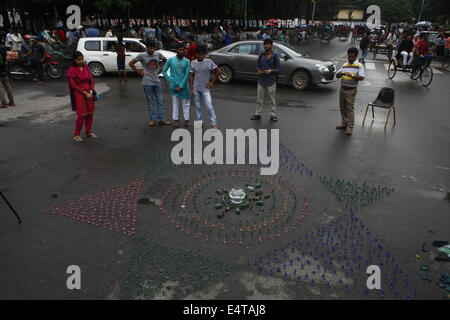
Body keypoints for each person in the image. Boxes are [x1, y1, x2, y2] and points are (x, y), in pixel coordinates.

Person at [129, 40, 170, 127]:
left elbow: (166, 61)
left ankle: (161, 119)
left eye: (153, 48)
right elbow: (131, 63)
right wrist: (139, 72)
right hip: (147, 82)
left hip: (157, 81)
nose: (152, 50)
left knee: (160, 101)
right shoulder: (142, 55)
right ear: (147, 47)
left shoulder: (158, 54)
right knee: (150, 102)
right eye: (150, 48)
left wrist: (161, 69)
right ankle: (152, 119)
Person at [66, 51, 97, 142]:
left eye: (82, 59)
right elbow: (73, 85)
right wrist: (85, 93)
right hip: (79, 94)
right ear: (74, 60)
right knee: (81, 115)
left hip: (89, 93)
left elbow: (91, 80)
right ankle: (76, 134)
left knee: (90, 113)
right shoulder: (72, 70)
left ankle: (88, 131)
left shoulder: (86, 68)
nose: (81, 61)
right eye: (78, 60)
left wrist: (90, 91)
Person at [189, 45, 221, 129]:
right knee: (198, 107)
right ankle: (200, 122)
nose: (200, 56)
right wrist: (191, 89)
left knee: (209, 106)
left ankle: (214, 124)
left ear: (205, 54)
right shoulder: (193, 62)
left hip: (205, 89)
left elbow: (218, 71)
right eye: (198, 54)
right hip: (196, 88)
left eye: (202, 54)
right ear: (196, 54)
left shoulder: (209, 62)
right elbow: (191, 76)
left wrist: (211, 82)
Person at [336, 47, 365, 136]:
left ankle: (350, 126)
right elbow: (337, 75)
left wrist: (352, 75)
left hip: (351, 90)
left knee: (350, 108)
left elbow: (361, 77)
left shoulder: (359, 65)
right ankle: (344, 123)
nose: (350, 58)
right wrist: (339, 74)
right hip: (342, 88)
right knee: (342, 107)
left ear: (356, 56)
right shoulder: (345, 65)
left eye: (352, 57)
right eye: (349, 56)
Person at [250, 38, 280, 122]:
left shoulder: (275, 57)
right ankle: (258, 114)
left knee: (272, 100)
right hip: (261, 81)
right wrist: (259, 70)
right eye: (265, 44)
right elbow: (258, 65)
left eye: (268, 44)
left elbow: (278, 69)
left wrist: (270, 71)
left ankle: (273, 114)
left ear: (271, 46)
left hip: (271, 81)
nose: (266, 46)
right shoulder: (261, 56)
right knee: (259, 99)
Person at [162, 43, 191, 127]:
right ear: (177, 51)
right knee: (175, 104)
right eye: (180, 50)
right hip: (173, 85)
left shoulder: (187, 61)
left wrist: (181, 86)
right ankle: (176, 120)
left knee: (186, 104)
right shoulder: (170, 60)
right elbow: (164, 71)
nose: (182, 51)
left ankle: (187, 120)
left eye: (183, 50)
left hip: (184, 86)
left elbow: (187, 75)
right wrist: (169, 80)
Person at [0, 38, 15, 108]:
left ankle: (4, 103)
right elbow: (12, 56)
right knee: (7, 86)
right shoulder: (6, 49)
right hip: (5, 69)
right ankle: (12, 102)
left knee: (0, 87)